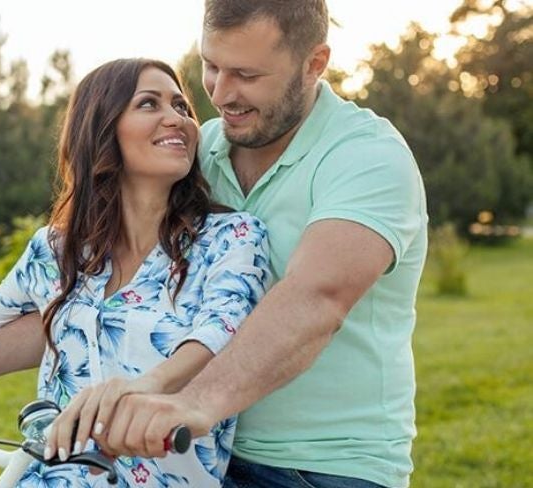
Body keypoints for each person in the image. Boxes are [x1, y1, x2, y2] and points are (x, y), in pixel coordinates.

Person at [45, 2, 428, 488]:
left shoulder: (367, 157)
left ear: (315, 63)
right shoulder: (200, 151)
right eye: (211, 66)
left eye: (246, 74)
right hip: (198, 457)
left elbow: (316, 299)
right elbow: (95, 289)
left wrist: (193, 402)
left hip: (326, 467)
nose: (222, 94)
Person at [0, 58, 272, 487]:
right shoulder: (57, 249)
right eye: (149, 104)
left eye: (182, 107)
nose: (177, 119)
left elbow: (224, 329)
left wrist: (144, 387)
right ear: (102, 129)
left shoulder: (232, 238)